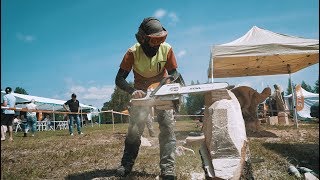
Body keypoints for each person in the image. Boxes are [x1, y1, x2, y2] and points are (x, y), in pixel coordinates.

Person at [115, 17, 184, 179]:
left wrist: (174, 85)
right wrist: (132, 90)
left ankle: (168, 169)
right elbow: (119, 79)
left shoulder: (167, 49)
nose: (157, 44)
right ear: (143, 38)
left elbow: (175, 73)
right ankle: (126, 165)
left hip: (162, 90)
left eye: (160, 40)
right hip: (141, 92)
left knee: (167, 128)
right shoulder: (132, 53)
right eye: (154, 41)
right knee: (134, 130)